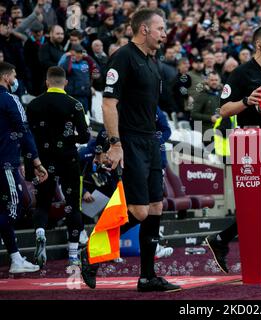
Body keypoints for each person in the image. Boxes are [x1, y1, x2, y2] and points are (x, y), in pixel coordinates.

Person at [80, 8, 181, 293]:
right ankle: (92, 249)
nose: (164, 33)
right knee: (137, 211)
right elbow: (108, 103)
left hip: (150, 140)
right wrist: (115, 143)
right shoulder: (124, 57)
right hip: (131, 140)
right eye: (160, 28)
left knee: (155, 208)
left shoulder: (153, 60)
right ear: (144, 29)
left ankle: (147, 277)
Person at [205, 25, 261, 282]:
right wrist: (247, 101)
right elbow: (223, 110)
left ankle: (221, 239)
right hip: (248, 143)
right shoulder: (241, 74)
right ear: (259, 45)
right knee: (258, 206)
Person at [26, 66, 90, 267]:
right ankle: (72, 253)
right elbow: (86, 136)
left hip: (42, 160)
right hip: (69, 159)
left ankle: (40, 232)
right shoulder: (75, 104)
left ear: (47, 82)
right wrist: (71, 137)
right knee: (72, 204)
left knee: (43, 202)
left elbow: (28, 136)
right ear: (66, 83)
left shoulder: (34, 104)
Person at [0, 61, 48, 273]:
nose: (15, 80)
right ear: (6, 77)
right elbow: (24, 130)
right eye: (14, 75)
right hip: (5, 164)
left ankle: (16, 258)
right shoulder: (11, 99)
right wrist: (36, 161)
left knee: (3, 209)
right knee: (15, 208)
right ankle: (16, 259)